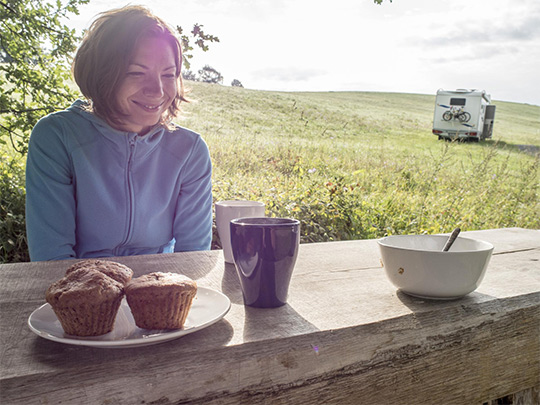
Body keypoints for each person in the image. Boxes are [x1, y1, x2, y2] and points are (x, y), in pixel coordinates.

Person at [25, 5, 213, 261]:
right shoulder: (57, 137)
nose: (157, 91)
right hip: (82, 286)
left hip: (158, 287)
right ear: (102, 74)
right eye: (136, 73)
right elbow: (51, 258)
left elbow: (192, 258)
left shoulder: (190, 150)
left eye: (168, 74)